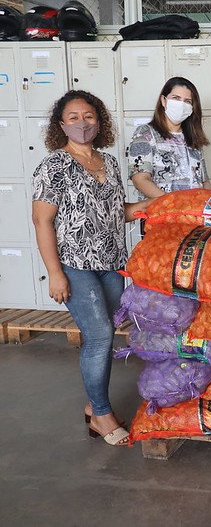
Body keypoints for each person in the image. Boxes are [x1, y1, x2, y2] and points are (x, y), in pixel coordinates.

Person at [31, 90, 150, 446]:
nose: (82, 123)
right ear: (61, 124)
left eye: (88, 116)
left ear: (99, 122)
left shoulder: (108, 162)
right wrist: (55, 273)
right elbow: (41, 221)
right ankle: (101, 414)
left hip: (111, 263)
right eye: (73, 117)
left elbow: (117, 212)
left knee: (105, 333)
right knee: (99, 335)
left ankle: (92, 406)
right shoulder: (54, 165)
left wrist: (151, 206)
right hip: (74, 264)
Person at [129, 76, 211, 200]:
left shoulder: (193, 137)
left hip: (194, 210)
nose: (181, 105)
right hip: (162, 210)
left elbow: (205, 182)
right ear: (163, 100)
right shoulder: (145, 133)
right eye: (176, 98)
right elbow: (140, 180)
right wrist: (173, 205)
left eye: (187, 101)